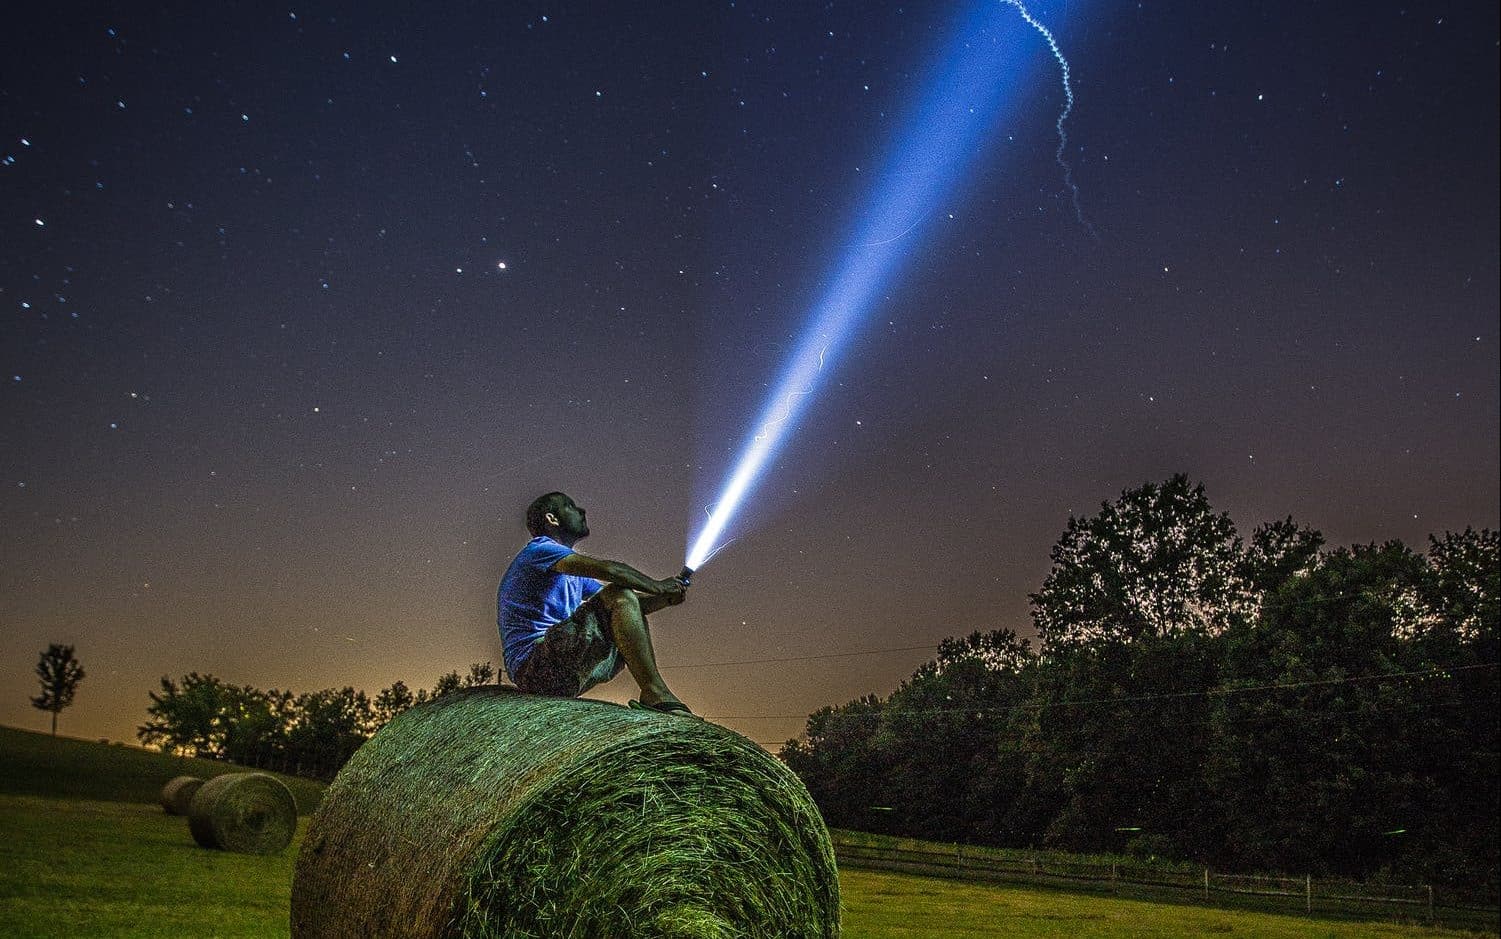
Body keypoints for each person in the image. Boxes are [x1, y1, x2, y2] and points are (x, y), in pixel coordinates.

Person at [497, 491, 695, 715]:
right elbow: (611, 572)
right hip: (533, 666)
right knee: (619, 591)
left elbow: (624, 606)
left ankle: (654, 691)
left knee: (621, 597)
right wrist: (657, 586)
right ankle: (654, 692)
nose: (582, 511)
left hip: (556, 668)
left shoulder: (571, 570)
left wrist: (665, 599)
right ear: (552, 519)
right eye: (570, 506)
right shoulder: (539, 549)